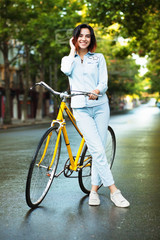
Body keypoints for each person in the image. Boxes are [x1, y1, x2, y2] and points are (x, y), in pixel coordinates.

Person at [61, 23, 130, 208]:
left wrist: (97, 90)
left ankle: (93, 190)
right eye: (80, 35)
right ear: (75, 38)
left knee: (97, 149)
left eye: (88, 36)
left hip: (100, 106)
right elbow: (66, 70)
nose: (84, 38)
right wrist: (71, 50)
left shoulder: (98, 58)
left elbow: (104, 82)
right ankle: (114, 191)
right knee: (98, 150)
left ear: (91, 39)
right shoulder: (69, 59)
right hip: (80, 109)